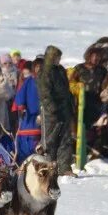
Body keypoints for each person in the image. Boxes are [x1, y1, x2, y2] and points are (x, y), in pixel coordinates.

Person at [37, 45, 74, 176]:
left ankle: (65, 168)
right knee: (50, 141)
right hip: (51, 113)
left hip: (64, 110)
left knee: (66, 140)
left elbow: (66, 90)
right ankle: (48, 167)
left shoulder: (60, 70)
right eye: (57, 57)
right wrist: (52, 109)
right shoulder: (44, 72)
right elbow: (44, 93)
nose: (59, 60)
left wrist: (70, 105)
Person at [15, 57, 43, 163]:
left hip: (42, 116)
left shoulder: (48, 82)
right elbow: (20, 95)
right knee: (25, 140)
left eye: (41, 67)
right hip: (28, 116)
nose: (39, 69)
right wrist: (21, 105)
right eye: (37, 67)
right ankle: (22, 163)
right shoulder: (29, 81)